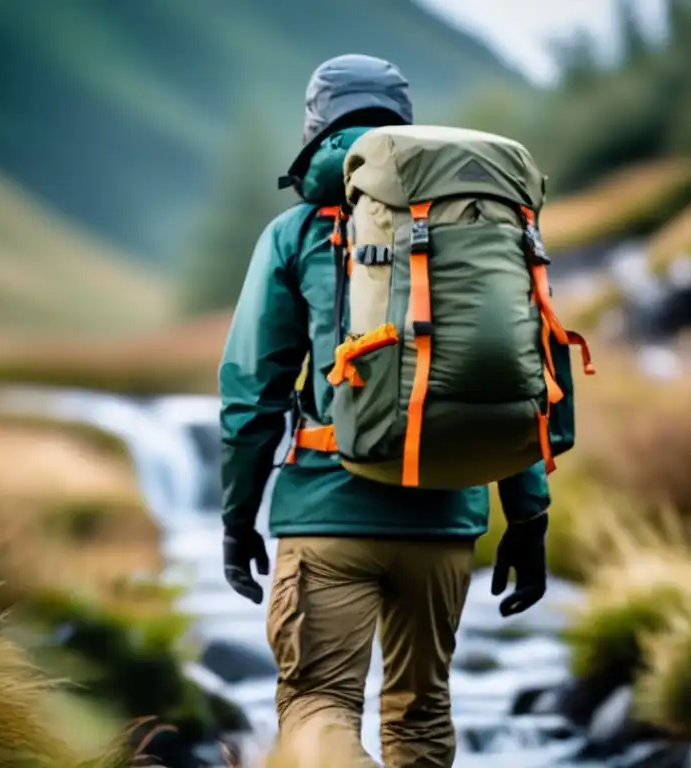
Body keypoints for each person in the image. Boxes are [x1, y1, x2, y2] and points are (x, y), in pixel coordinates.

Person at [218, 54, 552, 768]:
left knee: (316, 706)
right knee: (422, 717)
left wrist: (236, 516)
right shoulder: (479, 223)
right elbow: (522, 369)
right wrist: (528, 516)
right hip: (445, 520)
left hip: (328, 511)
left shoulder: (297, 232)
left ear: (315, 123)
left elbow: (252, 392)